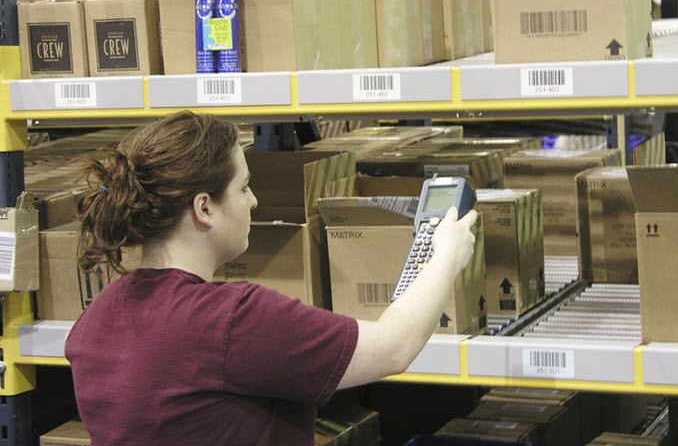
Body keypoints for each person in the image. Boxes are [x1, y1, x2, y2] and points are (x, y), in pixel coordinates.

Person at [66, 111, 477, 446]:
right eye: (243, 188)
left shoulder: (94, 320)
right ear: (204, 208)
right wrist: (446, 255)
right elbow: (394, 348)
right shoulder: (230, 319)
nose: (254, 200)